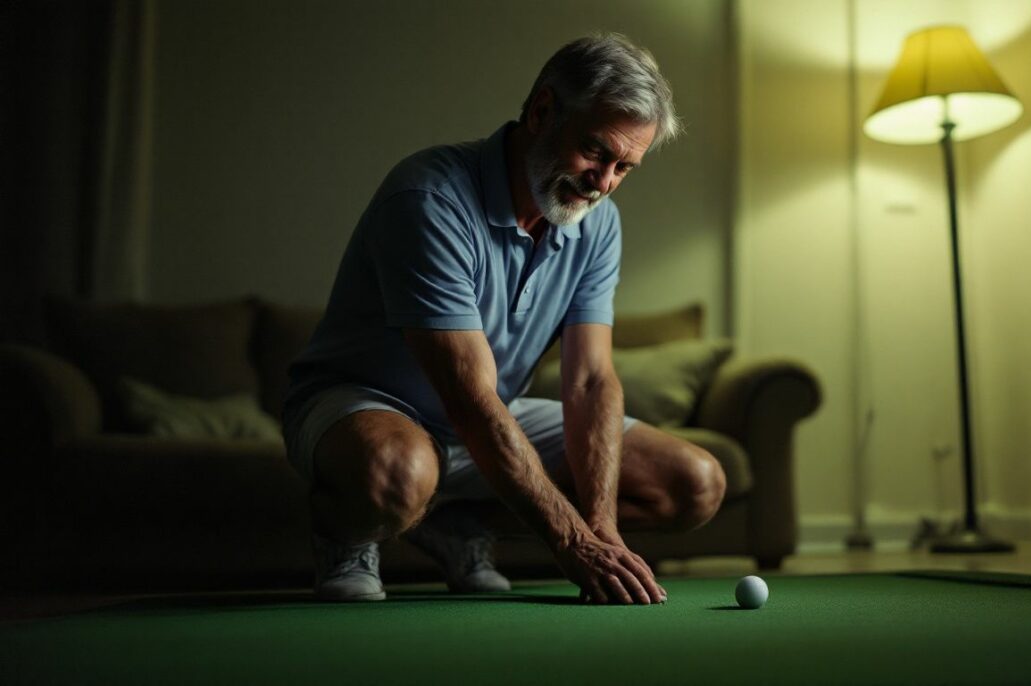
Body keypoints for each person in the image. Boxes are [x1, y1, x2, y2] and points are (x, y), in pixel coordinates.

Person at [282, 33, 727, 605]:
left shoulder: (599, 222)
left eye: (624, 167)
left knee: (695, 484)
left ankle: (453, 521)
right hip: (367, 404)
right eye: (596, 151)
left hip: (490, 409)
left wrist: (602, 528)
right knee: (397, 472)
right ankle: (349, 528)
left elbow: (590, 381)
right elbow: (467, 396)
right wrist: (573, 543)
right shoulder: (429, 197)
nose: (604, 183)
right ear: (542, 112)